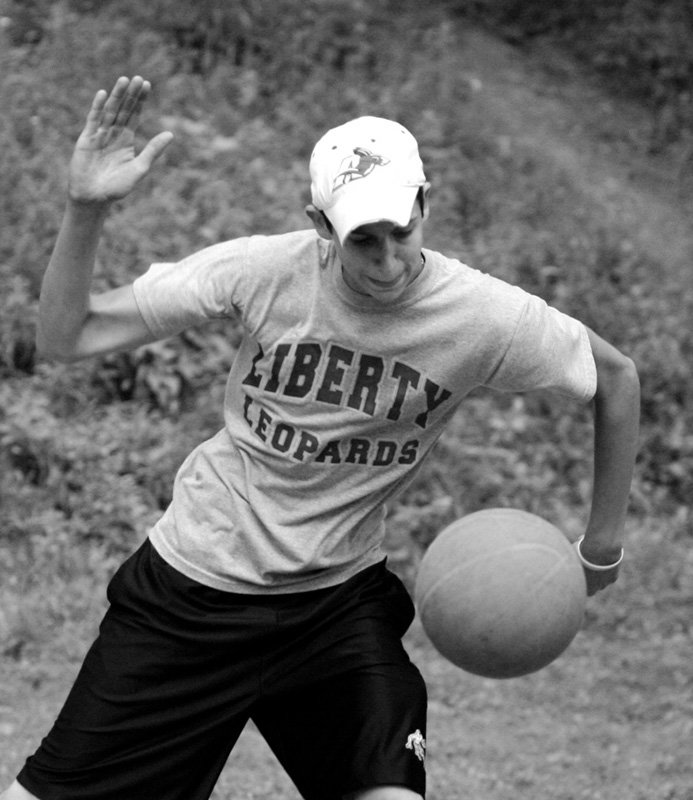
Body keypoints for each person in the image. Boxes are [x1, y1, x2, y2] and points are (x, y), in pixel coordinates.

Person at [2, 75, 640, 800]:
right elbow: (66, 337)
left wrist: (600, 545)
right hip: (191, 597)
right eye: (362, 241)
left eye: (402, 231)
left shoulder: (481, 316)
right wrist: (85, 209)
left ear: (425, 205)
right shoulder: (261, 273)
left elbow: (615, 378)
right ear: (320, 225)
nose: (388, 261)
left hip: (335, 608)